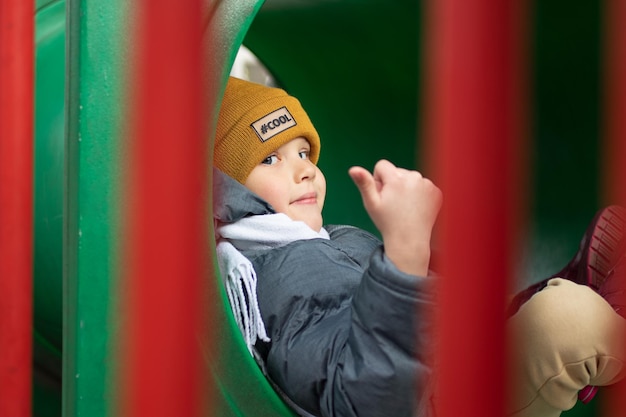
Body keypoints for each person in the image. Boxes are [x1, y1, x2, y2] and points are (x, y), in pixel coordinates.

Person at [212, 76, 626, 417]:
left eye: (304, 152)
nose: (305, 170)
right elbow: (363, 399)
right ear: (225, 190)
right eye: (269, 159)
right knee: (567, 320)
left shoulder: (321, 242)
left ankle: (539, 308)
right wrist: (405, 249)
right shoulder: (274, 279)